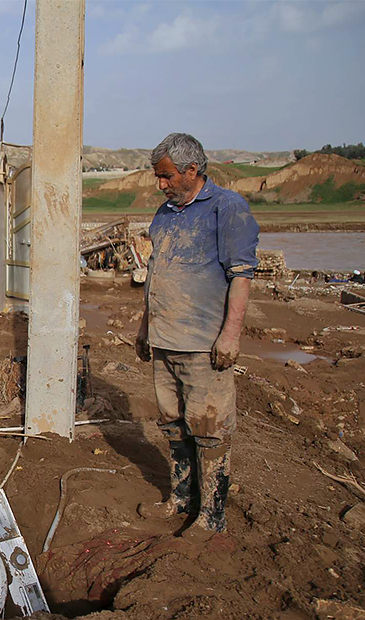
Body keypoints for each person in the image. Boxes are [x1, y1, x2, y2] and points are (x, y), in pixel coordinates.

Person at [134, 133, 259, 541]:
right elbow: (155, 274)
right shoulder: (166, 213)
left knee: (209, 429)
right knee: (173, 425)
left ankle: (212, 518)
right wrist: (144, 328)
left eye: (167, 176)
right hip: (165, 339)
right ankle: (181, 499)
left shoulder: (227, 207)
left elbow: (240, 276)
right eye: (158, 177)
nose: (161, 184)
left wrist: (230, 336)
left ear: (192, 170)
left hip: (204, 345)